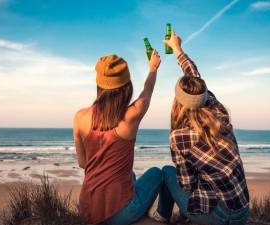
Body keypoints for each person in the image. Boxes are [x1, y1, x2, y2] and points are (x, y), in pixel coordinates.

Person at [153, 31, 250, 225]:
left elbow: (187, 185)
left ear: (177, 101)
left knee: (166, 172)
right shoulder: (217, 111)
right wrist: (177, 49)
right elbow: (195, 78)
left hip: (220, 217)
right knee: (201, 175)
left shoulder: (179, 136)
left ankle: (161, 217)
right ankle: (181, 217)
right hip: (243, 212)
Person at [73, 51, 162, 225]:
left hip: (87, 210)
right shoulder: (131, 115)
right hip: (119, 214)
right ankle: (156, 218)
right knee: (158, 174)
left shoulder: (79, 117)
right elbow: (147, 92)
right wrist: (153, 68)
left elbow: (83, 164)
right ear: (127, 87)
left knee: (131, 175)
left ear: (99, 85)